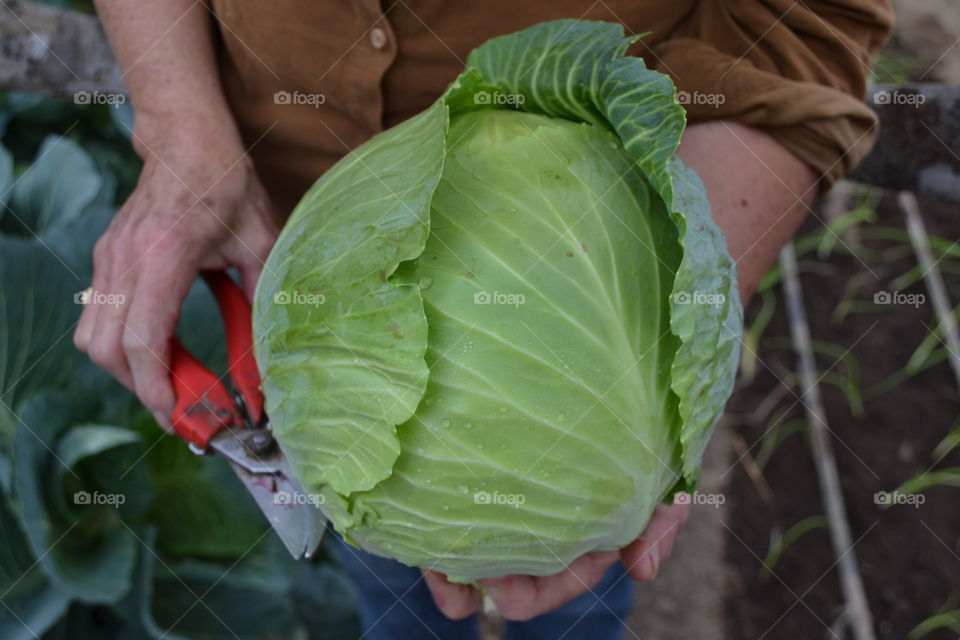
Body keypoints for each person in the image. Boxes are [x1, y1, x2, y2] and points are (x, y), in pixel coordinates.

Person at [75, 1, 892, 637]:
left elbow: (810, 24)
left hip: (610, 235)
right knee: (395, 584)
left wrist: (680, 321)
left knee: (579, 591)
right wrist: (178, 126)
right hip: (304, 305)